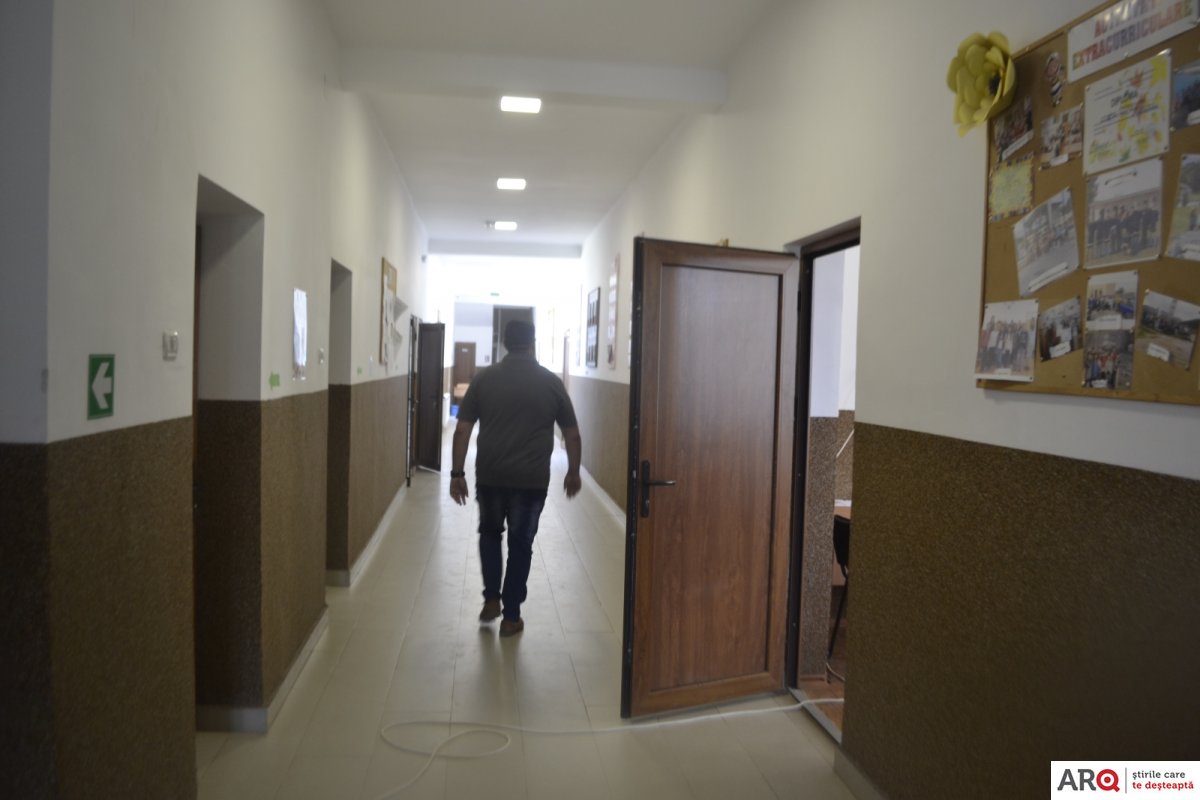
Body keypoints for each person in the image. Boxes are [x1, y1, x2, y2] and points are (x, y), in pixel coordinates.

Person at [449, 320, 583, 637]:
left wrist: (457, 473)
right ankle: (511, 617)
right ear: (532, 342)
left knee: (490, 534)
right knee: (521, 544)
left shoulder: (484, 379)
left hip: (491, 476)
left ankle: (491, 598)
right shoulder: (551, 382)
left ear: (505, 343)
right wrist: (573, 471)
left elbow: (462, 429)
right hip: (531, 480)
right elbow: (572, 434)